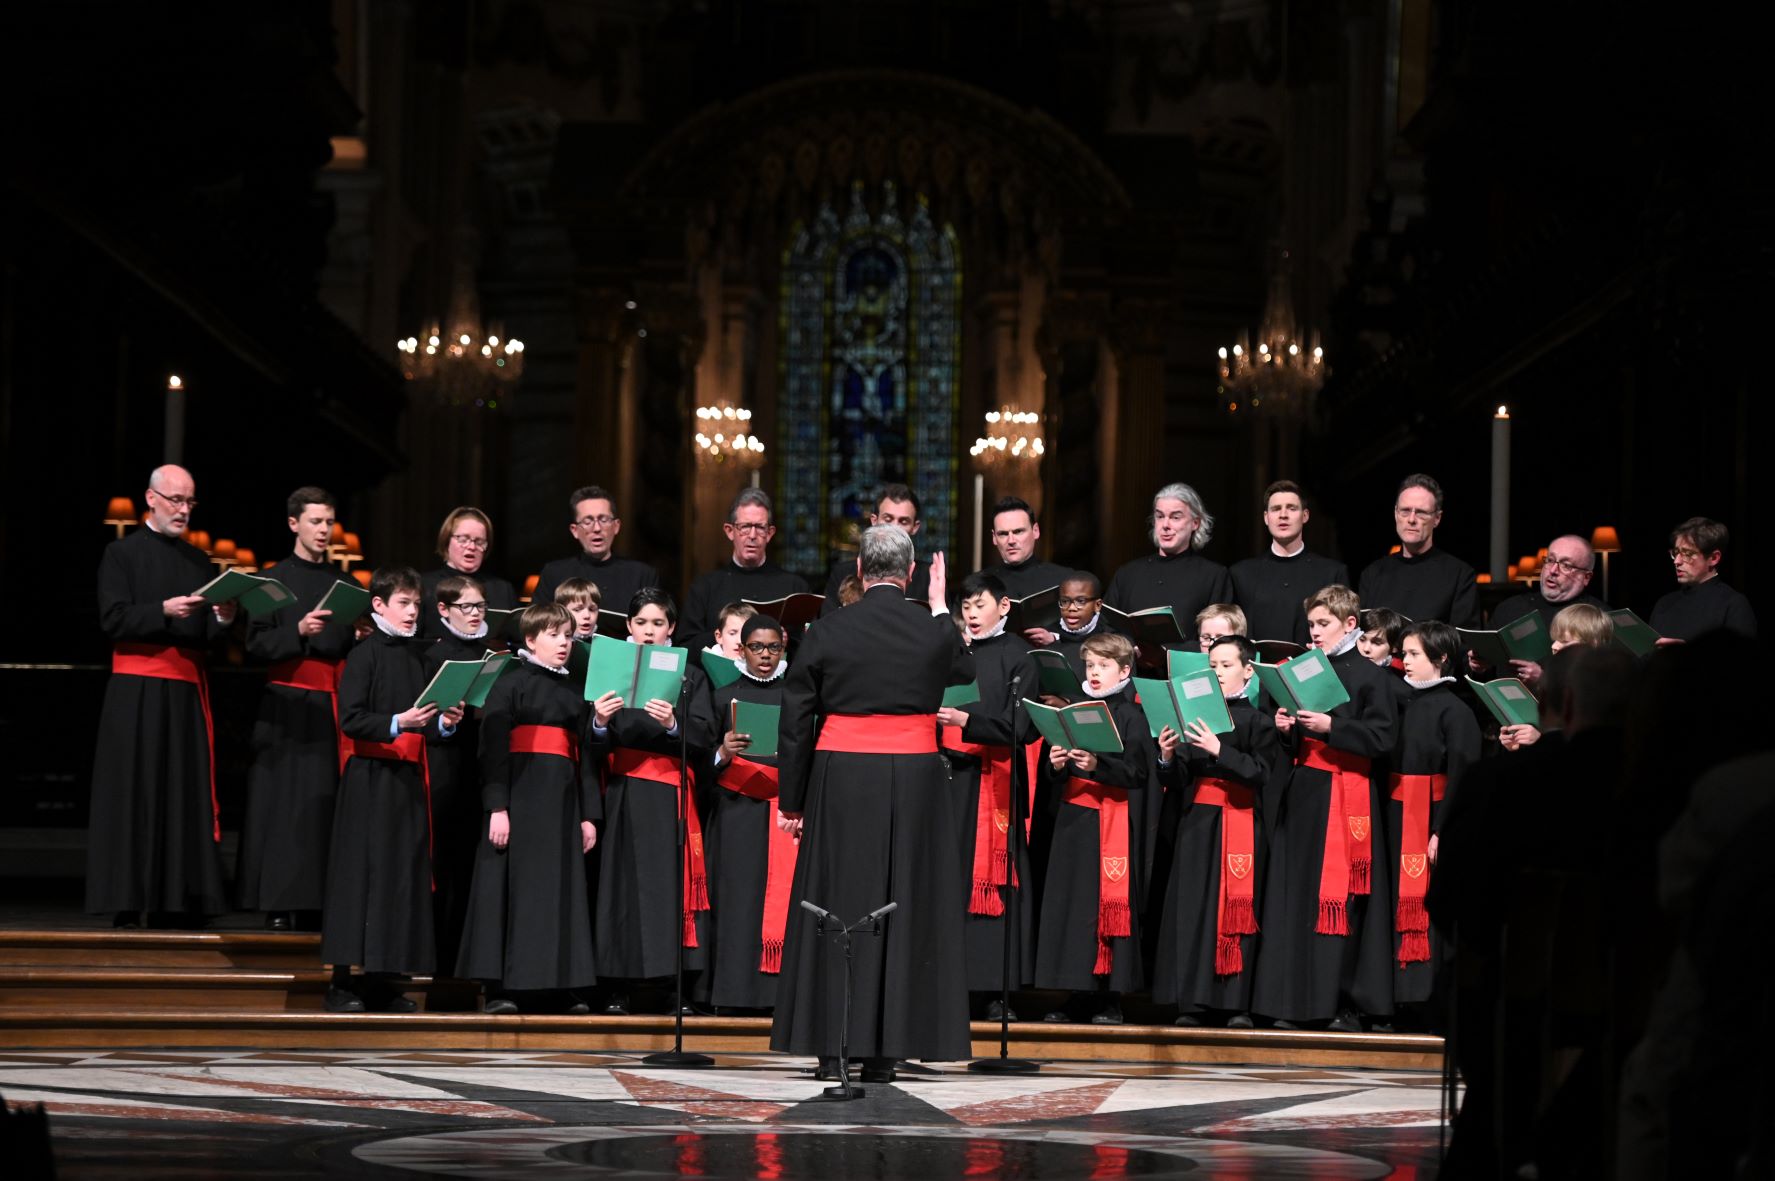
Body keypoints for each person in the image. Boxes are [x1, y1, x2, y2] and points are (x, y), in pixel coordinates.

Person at [771, 524, 975, 1082]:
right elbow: (966, 670)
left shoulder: (828, 629)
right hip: (915, 778)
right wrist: (938, 608)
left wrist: (792, 798)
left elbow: (795, 721)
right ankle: (887, 1051)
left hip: (841, 778)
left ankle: (830, 1046)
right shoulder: (933, 631)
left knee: (836, 898)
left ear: (860, 571)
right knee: (903, 900)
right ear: (909, 572)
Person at [87, 464, 235, 926]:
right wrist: (163, 610)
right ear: (150, 499)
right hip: (136, 691)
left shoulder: (198, 563)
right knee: (135, 793)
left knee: (181, 796)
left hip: (185, 694)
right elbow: (113, 619)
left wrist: (225, 618)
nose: (184, 510)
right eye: (176, 500)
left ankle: (179, 899)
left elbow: (207, 635)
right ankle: (128, 901)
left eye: (190, 502)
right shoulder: (121, 554)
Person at [1250, 584, 1399, 1031]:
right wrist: (1284, 728)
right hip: (1305, 791)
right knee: (1296, 897)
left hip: (1348, 791)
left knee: (1345, 899)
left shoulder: (1371, 675)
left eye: (1323, 624)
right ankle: (1293, 1002)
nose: (1313, 633)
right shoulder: (1301, 670)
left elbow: (1384, 738)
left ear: (1350, 624)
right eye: (1310, 624)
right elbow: (1293, 738)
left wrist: (1334, 726)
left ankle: (1340, 1002)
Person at [322, 566, 464, 1012]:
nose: (411, 612)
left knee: (400, 880)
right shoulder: (364, 654)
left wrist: (445, 721)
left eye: (416, 605)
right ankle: (344, 981)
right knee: (360, 877)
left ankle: (386, 977)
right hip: (369, 779)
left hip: (406, 782)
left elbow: (429, 725)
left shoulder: (420, 657)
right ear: (379, 606)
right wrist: (399, 722)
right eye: (403, 604)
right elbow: (351, 718)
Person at [456, 601, 598, 1014]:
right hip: (520, 800)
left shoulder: (575, 690)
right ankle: (504, 988)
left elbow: (585, 756)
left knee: (560, 893)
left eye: (568, 635)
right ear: (531, 640)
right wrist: (497, 807)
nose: (563, 643)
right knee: (513, 892)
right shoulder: (510, 684)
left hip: (563, 806)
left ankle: (559, 984)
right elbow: (492, 751)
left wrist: (589, 815)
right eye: (554, 635)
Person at [238, 487, 363, 932]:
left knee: (324, 806)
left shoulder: (346, 585)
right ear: (294, 524)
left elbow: (348, 643)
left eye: (329, 522)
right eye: (315, 522)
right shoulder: (269, 581)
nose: (324, 530)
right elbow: (255, 643)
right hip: (287, 705)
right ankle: (278, 901)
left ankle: (319, 902)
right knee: (284, 805)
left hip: (333, 706)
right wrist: (298, 629)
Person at [588, 588, 716, 1015]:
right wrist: (600, 722)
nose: (648, 631)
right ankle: (616, 988)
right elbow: (588, 739)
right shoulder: (609, 666)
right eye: (641, 623)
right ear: (628, 626)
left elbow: (704, 735)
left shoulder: (690, 674)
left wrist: (674, 722)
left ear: (671, 628)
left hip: (669, 795)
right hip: (624, 792)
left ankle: (669, 988)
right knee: (620, 890)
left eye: (657, 623)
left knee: (670, 891)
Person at [1151, 635, 1280, 1028]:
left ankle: (1235, 1003)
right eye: (1213, 666)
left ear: (1248, 669)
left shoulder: (1258, 719)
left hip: (1240, 818)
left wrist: (1219, 750)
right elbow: (1178, 778)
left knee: (1236, 911)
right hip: (1200, 822)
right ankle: (1193, 1001)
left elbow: (1262, 773)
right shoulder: (1197, 715)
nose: (1218, 672)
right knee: (1194, 909)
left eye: (1226, 665)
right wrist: (1167, 755)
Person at [1032, 631, 1160, 1026]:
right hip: (1073, 818)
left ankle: (1110, 997)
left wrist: (1097, 766)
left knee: (1109, 907)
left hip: (1111, 819)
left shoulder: (1131, 714)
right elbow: (1053, 778)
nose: (1095, 672)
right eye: (1090, 665)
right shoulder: (1074, 708)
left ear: (1124, 669)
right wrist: (1054, 763)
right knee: (1073, 907)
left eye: (1104, 665)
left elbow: (1139, 773)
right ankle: (1075, 991)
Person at [935, 572, 1042, 1020]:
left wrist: (966, 722)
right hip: (948, 783)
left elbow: (1024, 726)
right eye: (965, 607)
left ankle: (997, 989)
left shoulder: (1019, 656)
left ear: (1004, 607)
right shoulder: (951, 654)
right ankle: (949, 983)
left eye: (980, 605)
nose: (972, 614)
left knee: (998, 882)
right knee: (949, 880)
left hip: (994, 780)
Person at [1386, 620, 1480, 1015]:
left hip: (1431, 819)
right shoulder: (1399, 701)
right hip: (1395, 815)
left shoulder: (1456, 711)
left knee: (1428, 906)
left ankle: (1426, 1001)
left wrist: (1443, 829)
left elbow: (1464, 774)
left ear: (1441, 659)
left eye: (1413, 654)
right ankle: (1393, 998)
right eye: (1403, 653)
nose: (1403, 661)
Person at [703, 614, 794, 1012]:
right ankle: (732, 995)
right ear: (740, 649)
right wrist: (723, 750)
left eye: (773, 647)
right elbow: (699, 759)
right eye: (757, 647)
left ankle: (779, 997)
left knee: (783, 901)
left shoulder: (797, 696)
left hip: (784, 813)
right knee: (738, 899)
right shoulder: (723, 695)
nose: (765, 655)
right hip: (736, 812)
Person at [424, 574, 494, 969]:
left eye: (480, 607)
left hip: (481, 767)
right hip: (447, 767)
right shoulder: (433, 656)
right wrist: (447, 723)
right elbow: (424, 720)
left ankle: (471, 957)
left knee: (475, 865)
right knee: (445, 862)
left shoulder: (490, 653)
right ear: (444, 610)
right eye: (466, 607)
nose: (474, 614)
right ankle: (441, 956)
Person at [1103, 483, 1235, 644]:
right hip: (1131, 666)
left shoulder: (1213, 575)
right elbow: (1106, 628)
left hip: (1185, 667)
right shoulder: (1127, 574)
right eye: (1160, 516)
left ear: (1195, 523)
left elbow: (1220, 639)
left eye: (1175, 517)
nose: (1165, 525)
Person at [681, 488, 810, 643]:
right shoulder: (705, 588)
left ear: (769, 533)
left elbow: (812, 647)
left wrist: (784, 640)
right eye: (745, 527)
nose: (752, 535)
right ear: (729, 531)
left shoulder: (794, 587)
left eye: (760, 527)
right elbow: (686, 646)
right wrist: (727, 637)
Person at [1230, 481, 1350, 645]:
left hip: (1313, 667)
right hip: (1256, 668)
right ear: (1266, 518)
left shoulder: (1332, 573)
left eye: (1292, 508)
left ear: (1305, 516)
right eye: (1276, 509)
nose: (1283, 515)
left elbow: (1345, 635)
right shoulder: (1241, 574)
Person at [1357, 474, 1479, 627]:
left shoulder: (1460, 575)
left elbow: (1463, 641)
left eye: (1421, 512)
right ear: (1395, 513)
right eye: (1405, 511)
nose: (1412, 519)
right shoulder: (1372, 574)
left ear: (1437, 518)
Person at [533, 485, 662, 609]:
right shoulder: (554, 574)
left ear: (616, 526)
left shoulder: (642, 575)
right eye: (588, 521)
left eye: (604, 520)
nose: (597, 528)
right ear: (575, 530)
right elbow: (537, 624)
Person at [820, 484, 932, 609]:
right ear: (874, 521)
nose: (894, 528)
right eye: (888, 519)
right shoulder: (842, 573)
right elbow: (827, 624)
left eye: (903, 521)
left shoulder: (930, 578)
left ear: (915, 527)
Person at [1648, 517, 1757, 640]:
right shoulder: (1664, 604)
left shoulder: (1733, 604)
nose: (1677, 561)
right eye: (1676, 553)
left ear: (1713, 558)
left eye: (1687, 554)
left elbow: (1744, 657)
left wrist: (1685, 654)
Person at [420, 507, 516, 640]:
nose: (471, 547)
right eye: (463, 539)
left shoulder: (502, 589)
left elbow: (514, 640)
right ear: (447, 540)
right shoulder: (425, 586)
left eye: (479, 542)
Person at [977, 496, 1072, 601]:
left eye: (1018, 532)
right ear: (994, 537)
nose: (1011, 540)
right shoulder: (977, 585)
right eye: (1003, 534)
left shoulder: (1066, 580)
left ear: (1035, 531)